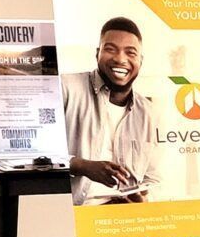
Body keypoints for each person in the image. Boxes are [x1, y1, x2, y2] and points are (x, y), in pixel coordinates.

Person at [61, 16, 160, 205]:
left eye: (130, 53)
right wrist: (82, 166)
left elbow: (153, 178)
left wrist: (142, 199)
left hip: (125, 218)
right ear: (97, 53)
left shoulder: (148, 112)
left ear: (140, 60)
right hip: (77, 214)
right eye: (110, 49)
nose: (120, 59)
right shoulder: (66, 88)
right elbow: (38, 156)